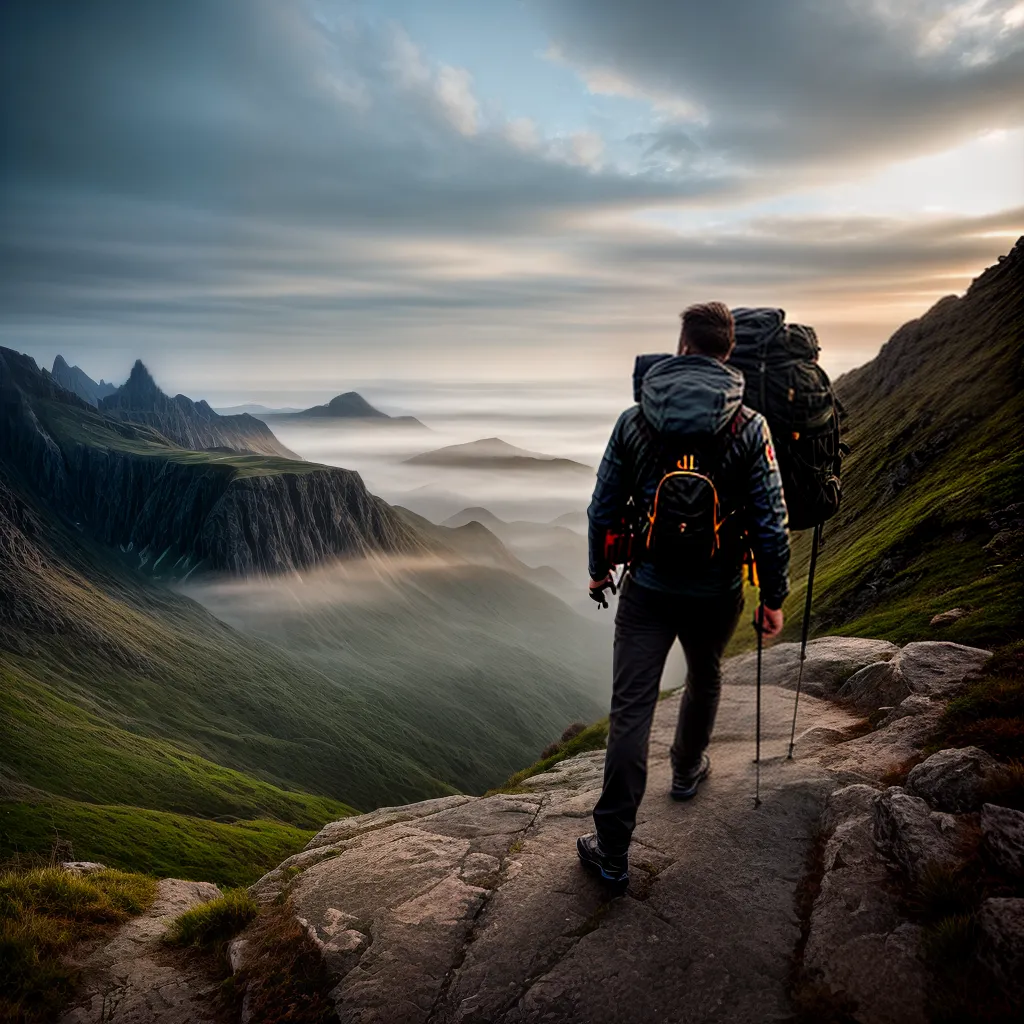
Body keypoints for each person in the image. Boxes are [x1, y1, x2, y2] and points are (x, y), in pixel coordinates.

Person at [577, 301, 790, 886]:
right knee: (705, 676)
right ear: (729, 350)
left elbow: (601, 506)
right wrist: (773, 597)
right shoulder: (750, 425)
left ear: (683, 346)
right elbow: (771, 523)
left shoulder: (635, 420)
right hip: (718, 590)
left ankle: (612, 849)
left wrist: (598, 570)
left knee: (631, 710)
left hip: (647, 588)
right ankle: (687, 769)